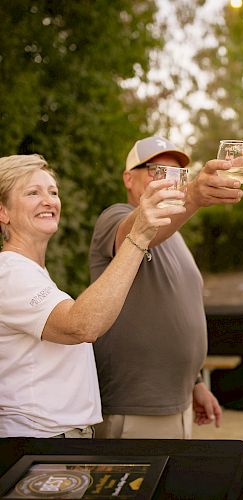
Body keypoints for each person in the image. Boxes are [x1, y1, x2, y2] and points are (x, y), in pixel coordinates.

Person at [0, 153, 185, 438]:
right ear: (3, 212)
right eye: (32, 193)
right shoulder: (10, 273)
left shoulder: (31, 273)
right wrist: (139, 237)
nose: (49, 200)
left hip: (55, 438)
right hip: (37, 440)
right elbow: (83, 325)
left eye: (53, 192)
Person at [89, 136, 243, 439]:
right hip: (136, 404)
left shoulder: (175, 233)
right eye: (157, 171)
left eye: (177, 174)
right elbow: (135, 235)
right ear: (128, 178)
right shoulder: (114, 217)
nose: (170, 181)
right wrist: (195, 195)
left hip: (177, 400)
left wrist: (196, 383)